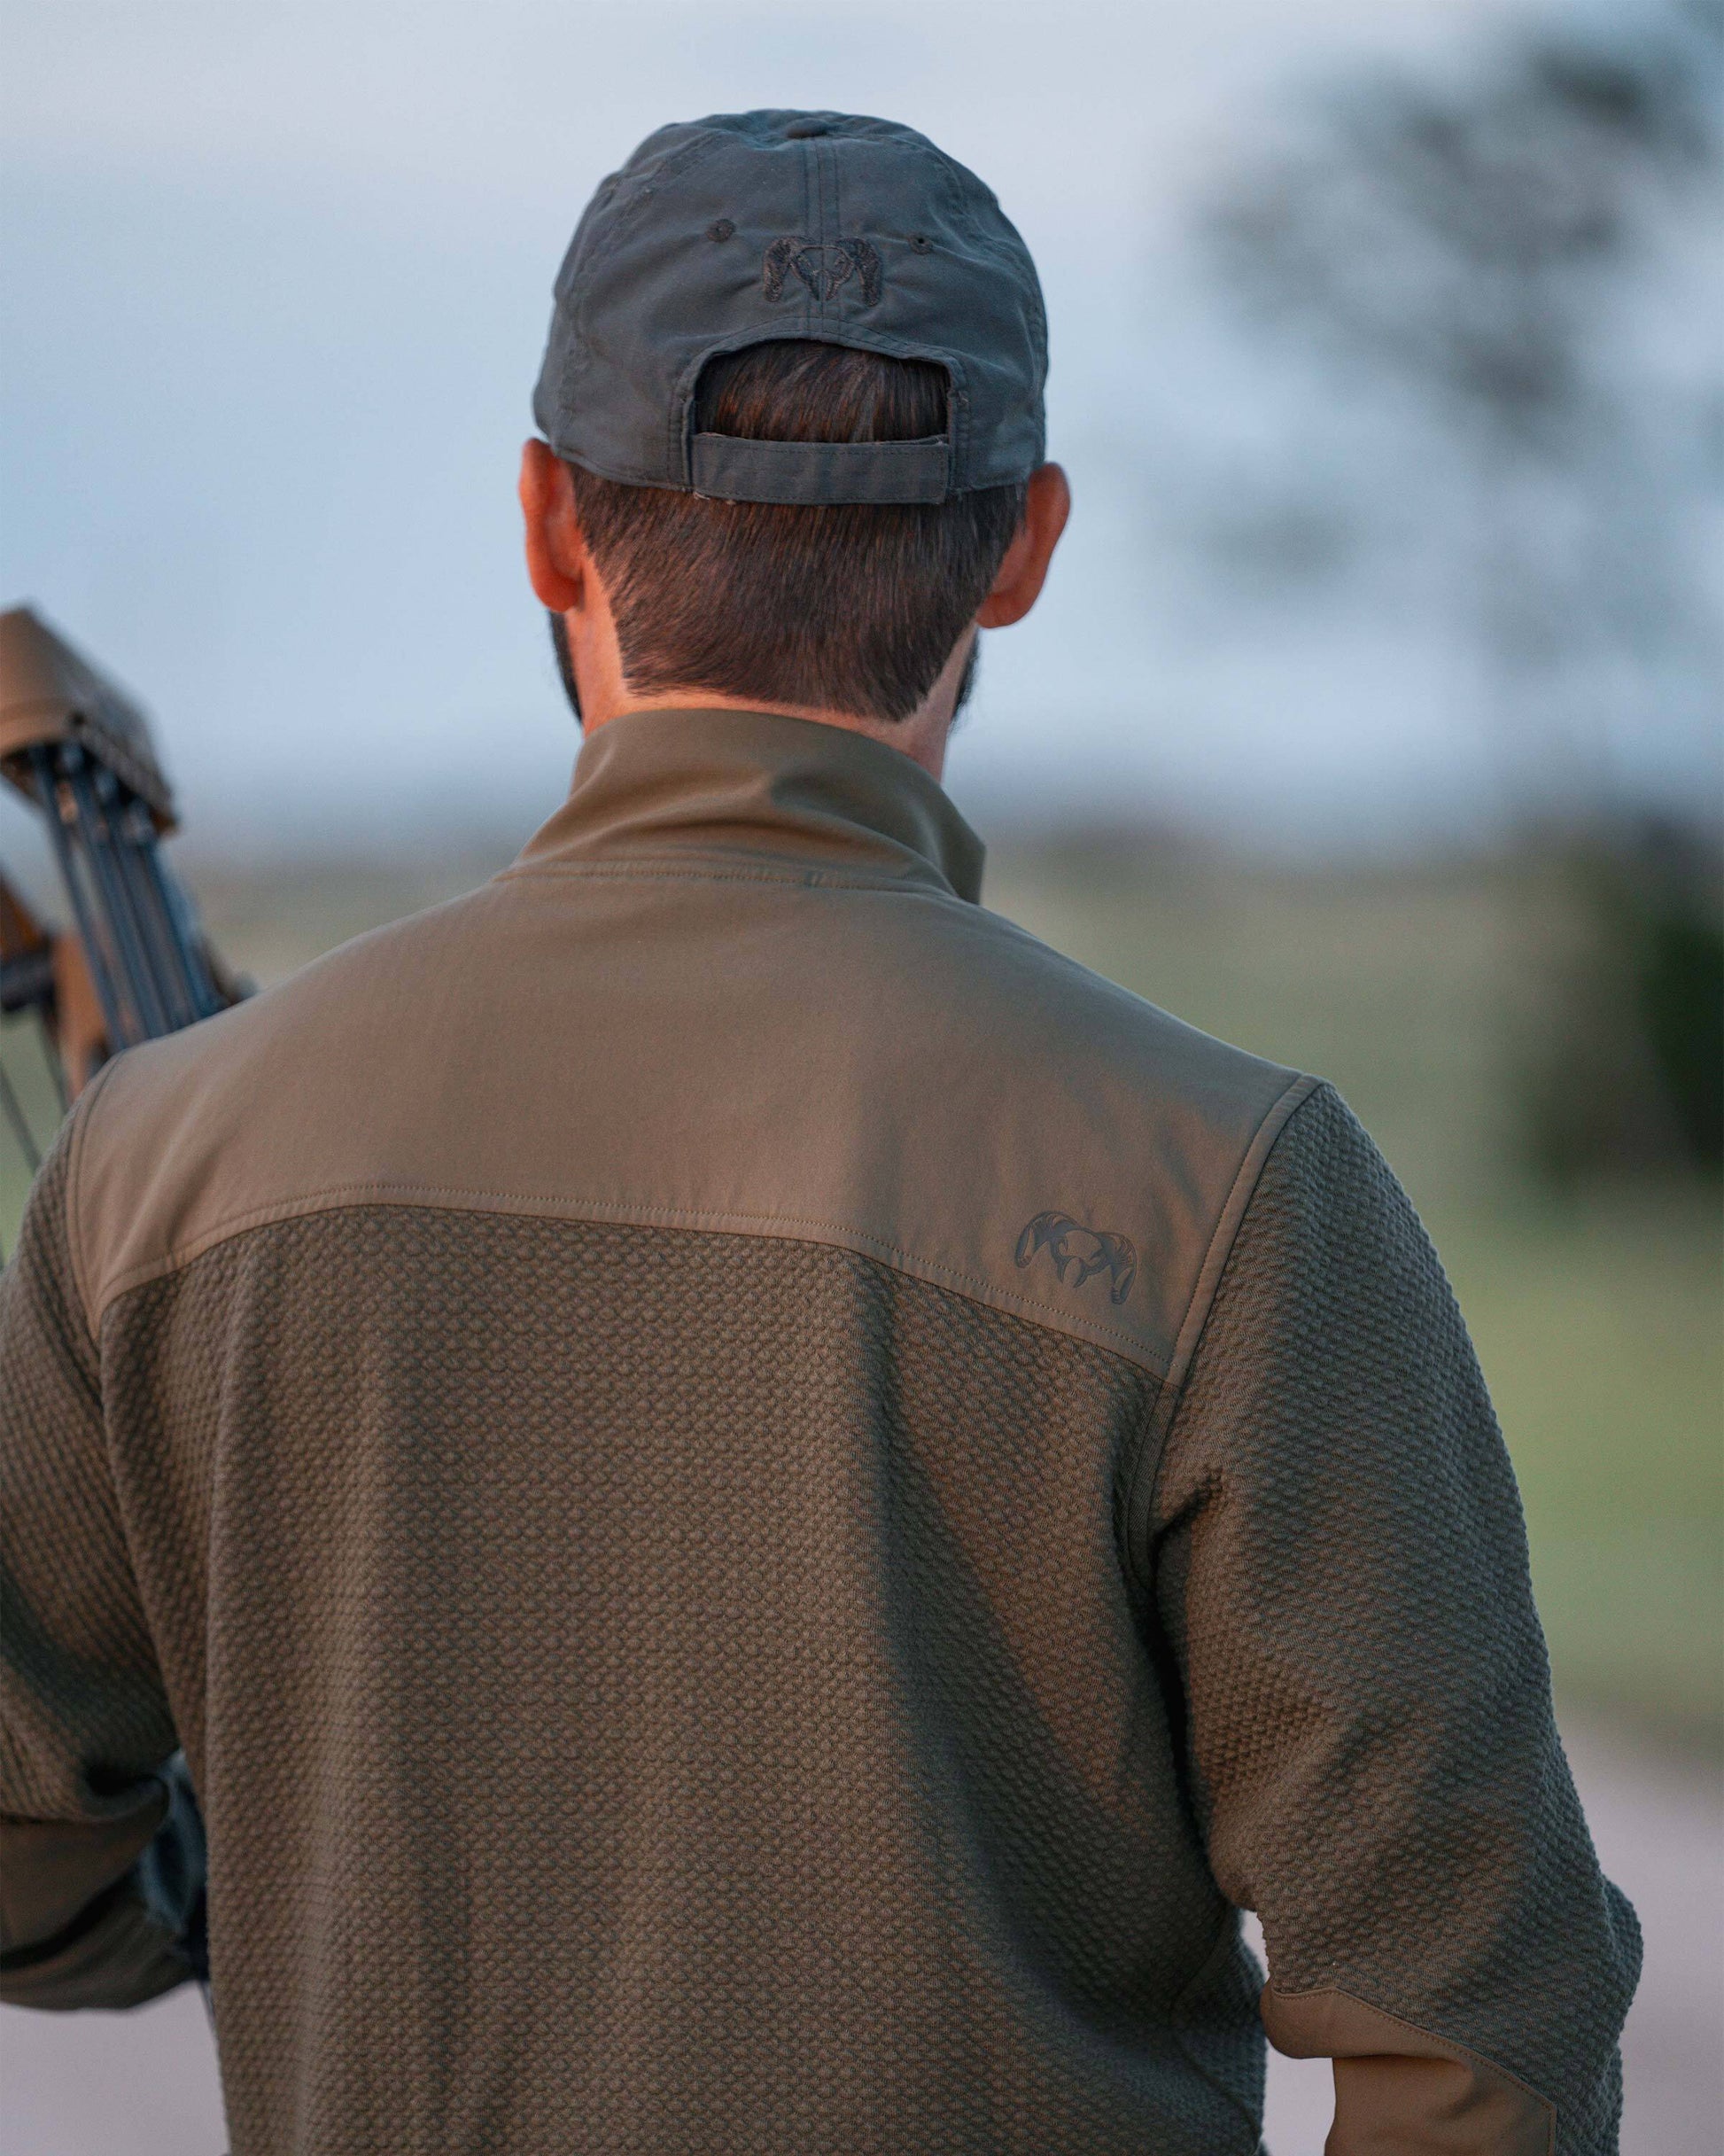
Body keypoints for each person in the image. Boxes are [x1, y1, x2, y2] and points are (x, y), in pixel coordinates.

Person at [0, 109, 1639, 2153]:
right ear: (1023, 543)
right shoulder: (1233, 1185)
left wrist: (274, 1883)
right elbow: (1482, 2046)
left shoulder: (159, 1155)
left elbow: (26, 1857)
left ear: (546, 523)